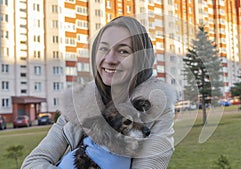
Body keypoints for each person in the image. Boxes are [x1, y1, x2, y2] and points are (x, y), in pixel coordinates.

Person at [21, 16, 177, 169]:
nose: (109, 59)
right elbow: (33, 163)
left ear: (141, 59)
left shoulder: (158, 110)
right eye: (103, 48)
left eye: (123, 51)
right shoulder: (78, 104)